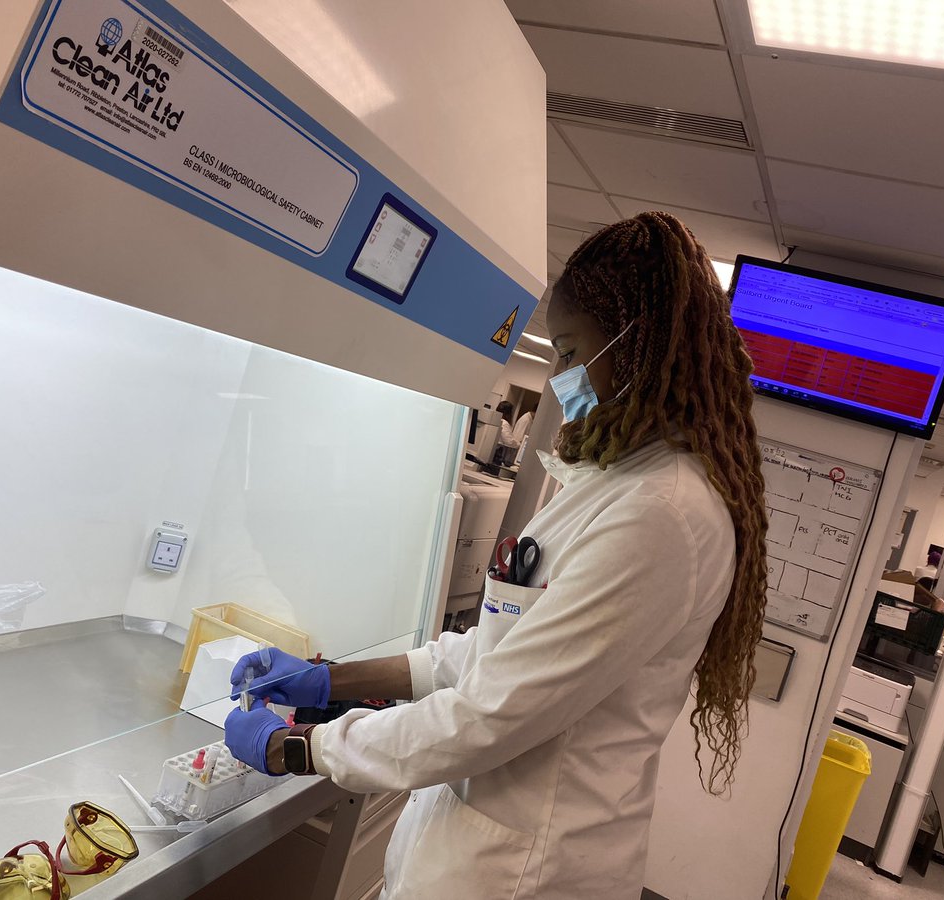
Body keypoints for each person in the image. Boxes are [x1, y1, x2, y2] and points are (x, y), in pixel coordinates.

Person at [223, 212, 769, 900]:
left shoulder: (662, 514)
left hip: (530, 872)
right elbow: (488, 653)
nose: (560, 376)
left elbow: (493, 713)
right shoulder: (613, 483)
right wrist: (334, 681)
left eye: (571, 353)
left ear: (643, 348)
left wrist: (298, 747)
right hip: (479, 851)